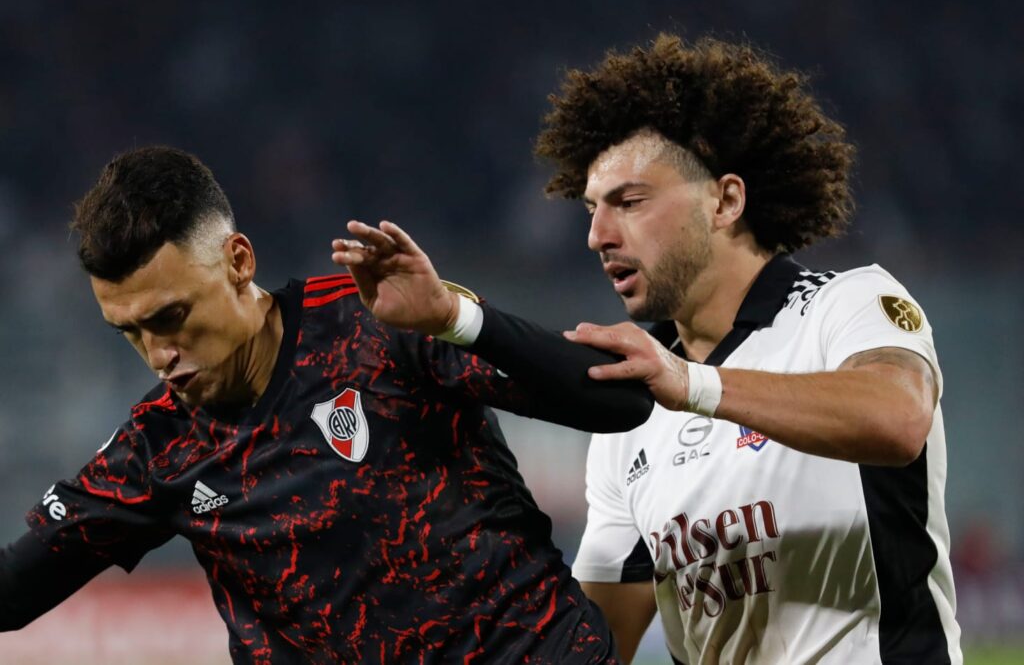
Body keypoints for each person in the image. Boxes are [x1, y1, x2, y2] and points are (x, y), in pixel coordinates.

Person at [336, 35, 963, 664]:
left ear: (726, 200)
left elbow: (897, 418)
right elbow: (595, 646)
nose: (596, 236)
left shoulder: (846, 305)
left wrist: (692, 385)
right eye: (590, 210)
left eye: (629, 203)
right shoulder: (630, 418)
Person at [0, 146, 656, 663]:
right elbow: (13, 590)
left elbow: (620, 404)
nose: (159, 353)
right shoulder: (158, 449)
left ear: (237, 260)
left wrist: (457, 317)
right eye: (132, 332)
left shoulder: (377, 322)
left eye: (172, 317)